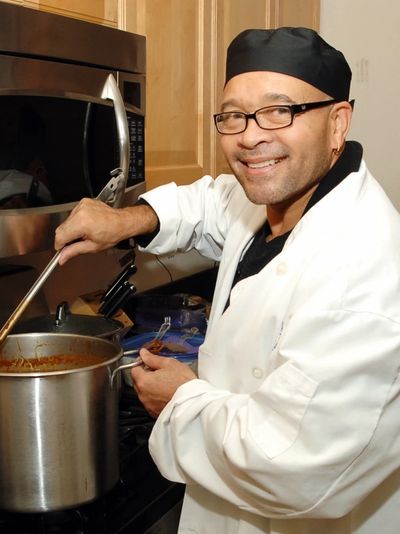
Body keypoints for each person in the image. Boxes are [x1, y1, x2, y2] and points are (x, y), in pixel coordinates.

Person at [54, 27, 400, 534]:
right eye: (233, 115)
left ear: (337, 122)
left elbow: (296, 467)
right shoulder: (281, 192)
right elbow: (213, 202)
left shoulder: (363, 269)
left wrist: (181, 400)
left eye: (280, 111)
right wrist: (125, 220)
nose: (250, 136)